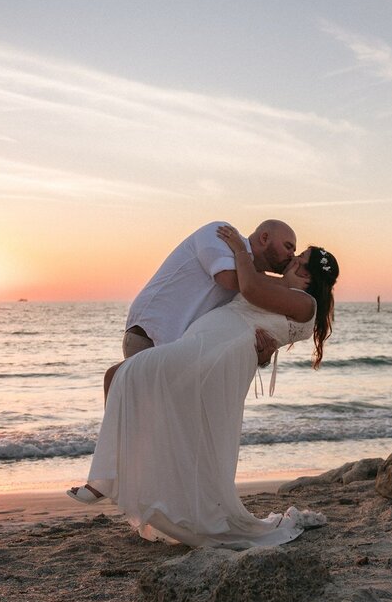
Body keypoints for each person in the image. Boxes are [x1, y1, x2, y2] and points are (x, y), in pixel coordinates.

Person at [67, 227, 339, 549]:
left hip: (214, 349)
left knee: (123, 375)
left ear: (308, 277)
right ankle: (121, 476)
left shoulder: (304, 303)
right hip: (210, 346)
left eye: (300, 261)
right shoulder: (286, 294)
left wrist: (239, 247)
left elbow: (249, 290)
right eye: (294, 255)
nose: (293, 261)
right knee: (159, 410)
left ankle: (110, 476)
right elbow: (258, 320)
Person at [102, 219, 297, 401]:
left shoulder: (256, 282)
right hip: (151, 337)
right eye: (288, 246)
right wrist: (285, 283)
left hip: (187, 357)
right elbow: (228, 278)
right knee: (146, 427)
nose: (292, 255)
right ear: (264, 238)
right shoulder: (220, 234)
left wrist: (261, 354)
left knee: (166, 431)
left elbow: (244, 323)